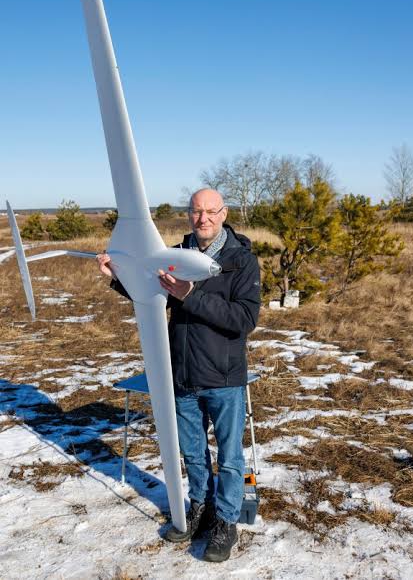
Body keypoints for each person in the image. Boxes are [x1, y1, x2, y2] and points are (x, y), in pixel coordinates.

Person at [97, 188, 261, 563]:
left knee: (230, 458)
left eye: (210, 212)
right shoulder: (174, 254)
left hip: (223, 378)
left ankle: (226, 522)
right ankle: (200, 508)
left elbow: (244, 319)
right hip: (182, 375)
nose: (203, 219)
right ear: (189, 215)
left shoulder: (242, 261)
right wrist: (117, 278)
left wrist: (191, 295)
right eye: (196, 211)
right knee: (192, 453)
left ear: (223, 214)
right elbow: (151, 293)